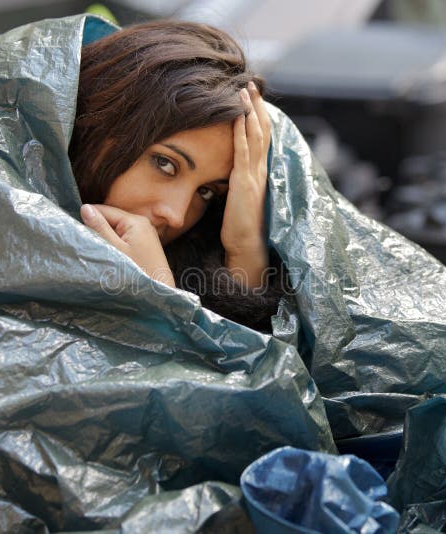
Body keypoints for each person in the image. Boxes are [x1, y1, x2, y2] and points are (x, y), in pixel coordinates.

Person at [68, 20, 286, 331]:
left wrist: (245, 246)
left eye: (207, 191)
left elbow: (253, 371)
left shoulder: (185, 259)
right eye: (165, 164)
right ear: (99, 125)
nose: (176, 216)